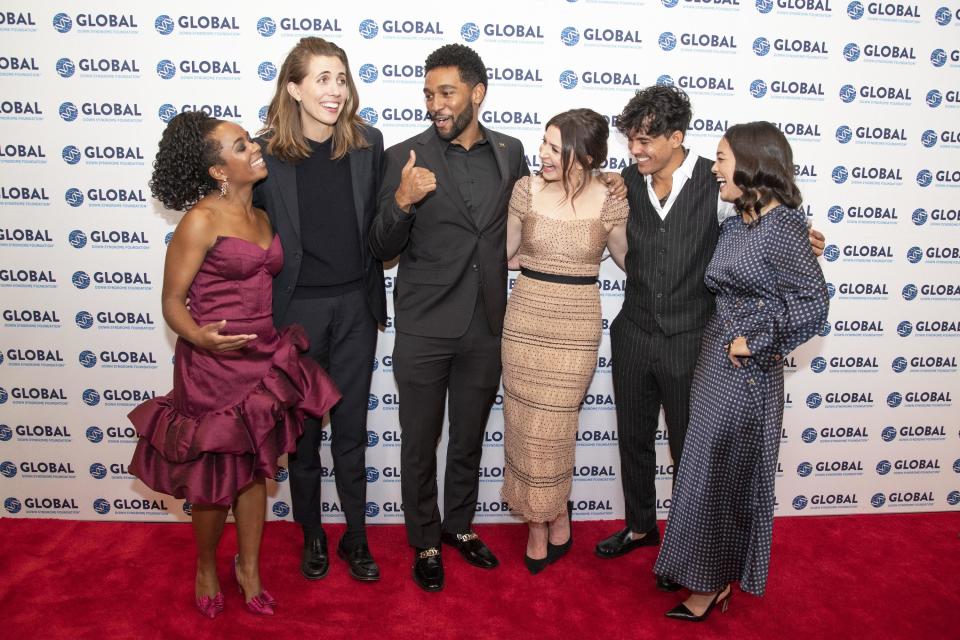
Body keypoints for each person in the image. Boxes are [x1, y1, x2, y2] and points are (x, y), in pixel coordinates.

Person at [594, 87, 824, 588]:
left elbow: (759, 225)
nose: (635, 150)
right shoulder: (625, 184)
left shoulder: (716, 184)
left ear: (677, 137)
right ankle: (639, 528)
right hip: (632, 333)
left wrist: (802, 238)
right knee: (633, 439)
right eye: (631, 140)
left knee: (690, 451)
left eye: (646, 140)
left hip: (692, 340)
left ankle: (687, 546)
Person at [128, 111, 341, 618]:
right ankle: (205, 564)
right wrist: (200, 336)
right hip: (210, 366)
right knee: (213, 481)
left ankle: (249, 567)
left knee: (253, 473)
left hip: (261, 359)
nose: (255, 149)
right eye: (241, 146)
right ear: (219, 170)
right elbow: (172, 302)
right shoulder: (200, 219)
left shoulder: (264, 217)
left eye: (249, 141)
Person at [654, 121, 829, 620]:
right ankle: (698, 569)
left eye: (723, 158)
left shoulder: (786, 227)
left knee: (723, 476)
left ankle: (709, 585)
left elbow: (813, 305)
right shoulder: (737, 224)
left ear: (752, 162)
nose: (714, 169)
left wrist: (757, 341)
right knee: (703, 471)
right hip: (714, 364)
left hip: (748, 376)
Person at [254, 36, 385, 583]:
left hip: (356, 303)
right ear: (294, 88)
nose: (336, 90)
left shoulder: (367, 144)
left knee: (352, 428)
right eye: (323, 79)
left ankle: (356, 535)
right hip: (295, 315)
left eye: (341, 78)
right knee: (304, 435)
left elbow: (383, 224)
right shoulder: (265, 156)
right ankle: (312, 534)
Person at [500, 109, 628, 574]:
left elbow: (631, 262)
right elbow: (506, 250)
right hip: (526, 319)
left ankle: (551, 511)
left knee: (553, 428)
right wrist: (527, 263)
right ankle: (544, 519)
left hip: (576, 325)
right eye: (544, 143)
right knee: (522, 423)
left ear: (586, 156)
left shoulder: (611, 199)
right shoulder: (526, 189)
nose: (542, 154)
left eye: (556, 147)